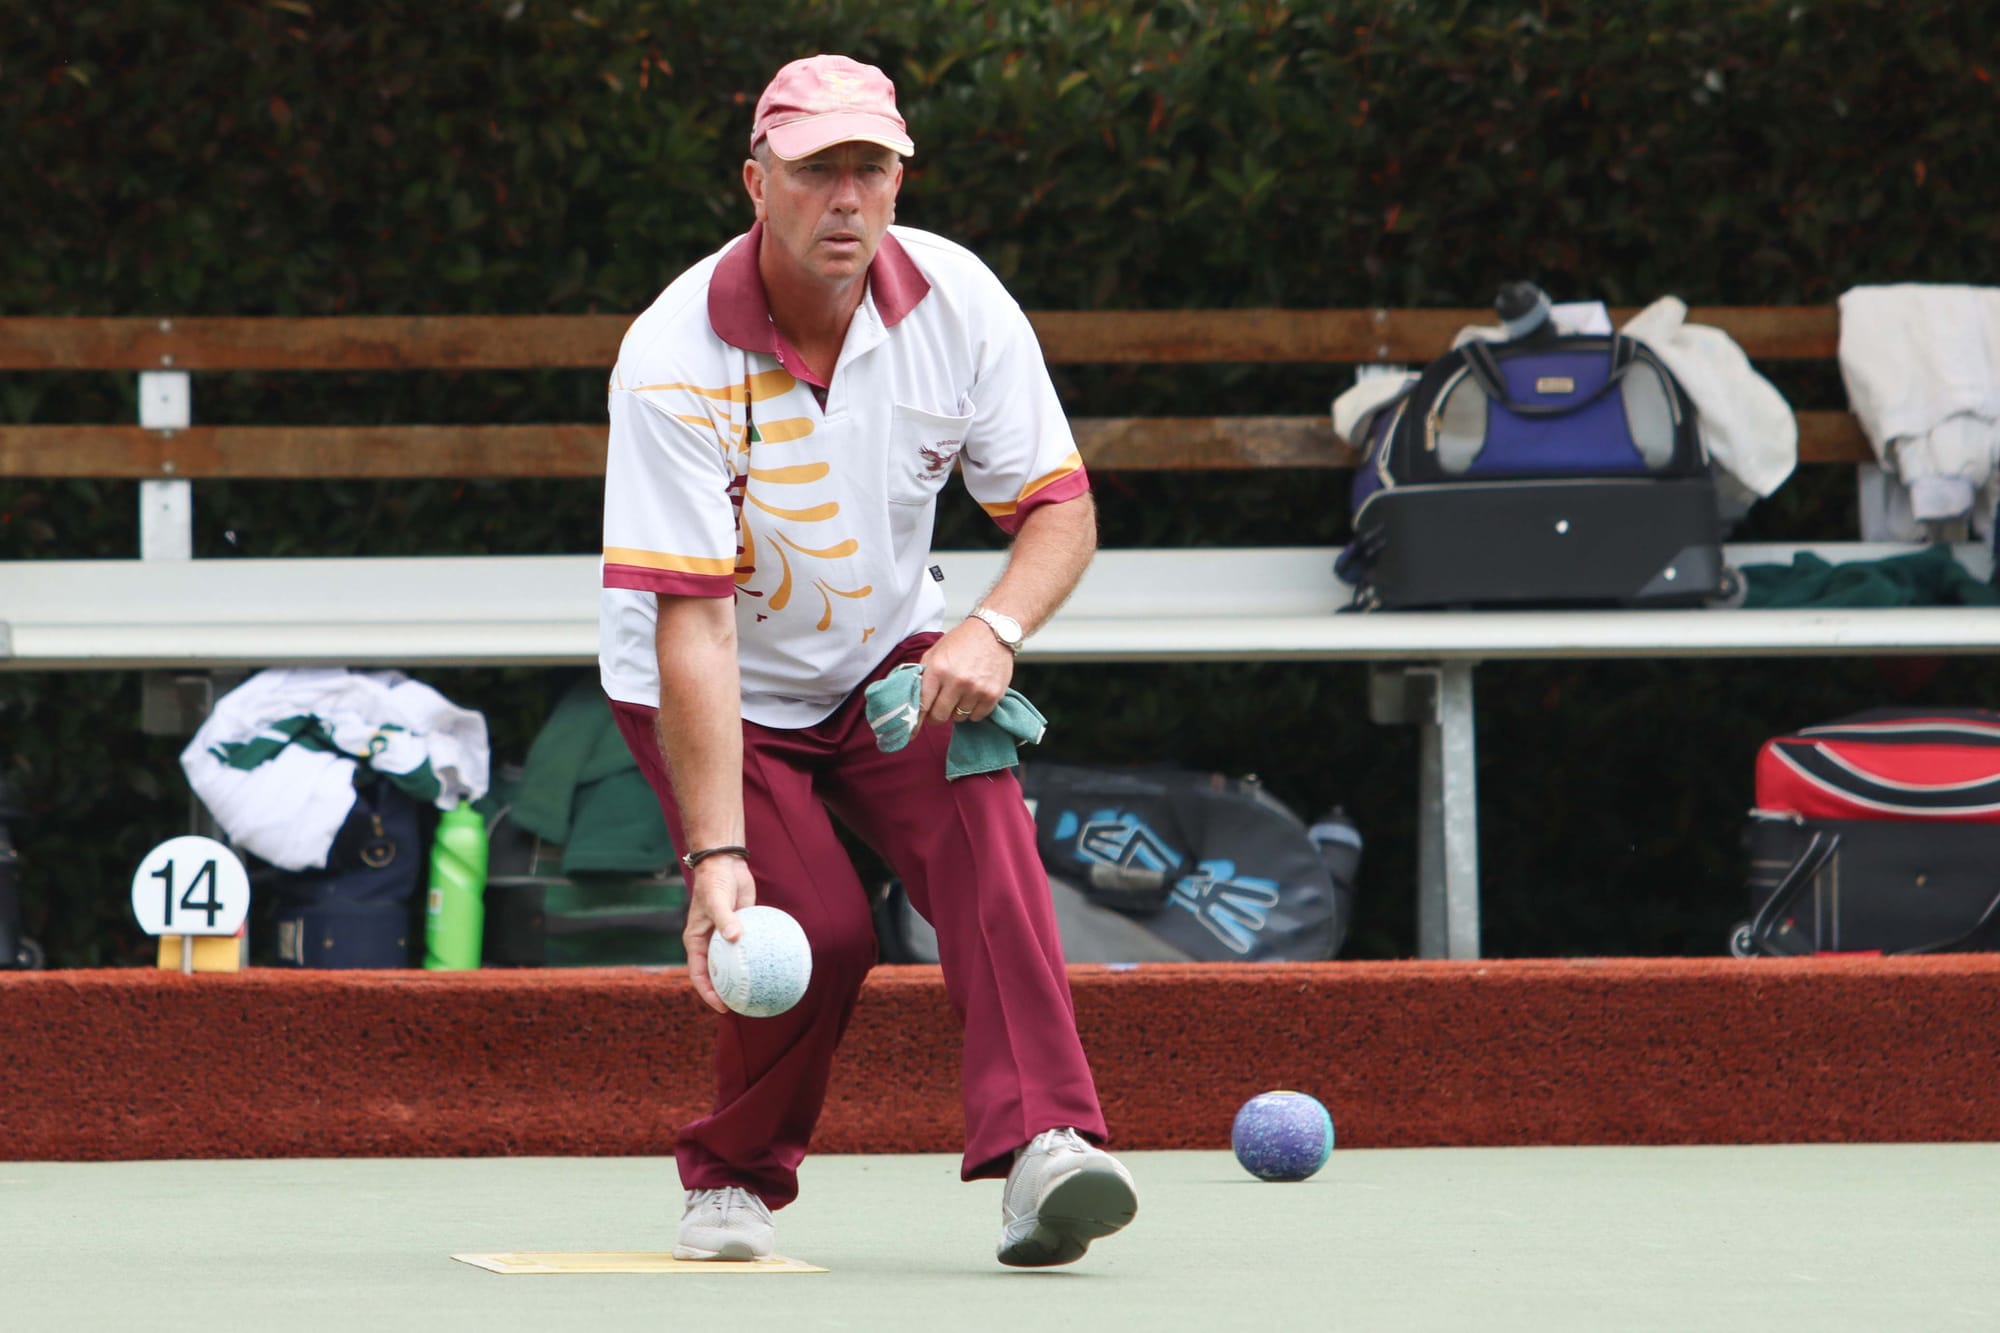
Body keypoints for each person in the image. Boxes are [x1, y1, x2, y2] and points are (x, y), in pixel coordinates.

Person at [597, 53, 1137, 1268]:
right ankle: (728, 1179)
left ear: (898, 179)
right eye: (813, 171)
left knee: (985, 829)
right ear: (755, 182)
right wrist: (713, 853)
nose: (844, 198)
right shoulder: (670, 353)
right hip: (711, 685)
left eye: (868, 168)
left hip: (889, 656)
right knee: (818, 936)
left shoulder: (961, 301)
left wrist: (989, 628)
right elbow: (693, 622)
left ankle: (1046, 1143)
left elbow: (1058, 508)